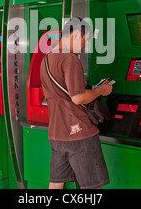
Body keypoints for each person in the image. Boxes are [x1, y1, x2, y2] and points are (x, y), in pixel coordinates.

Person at [40, 17, 113, 189]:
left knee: (56, 182)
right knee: (92, 186)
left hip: (57, 134)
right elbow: (78, 98)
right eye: (84, 40)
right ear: (74, 35)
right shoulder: (70, 59)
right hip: (79, 133)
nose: (83, 45)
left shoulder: (47, 57)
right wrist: (101, 91)